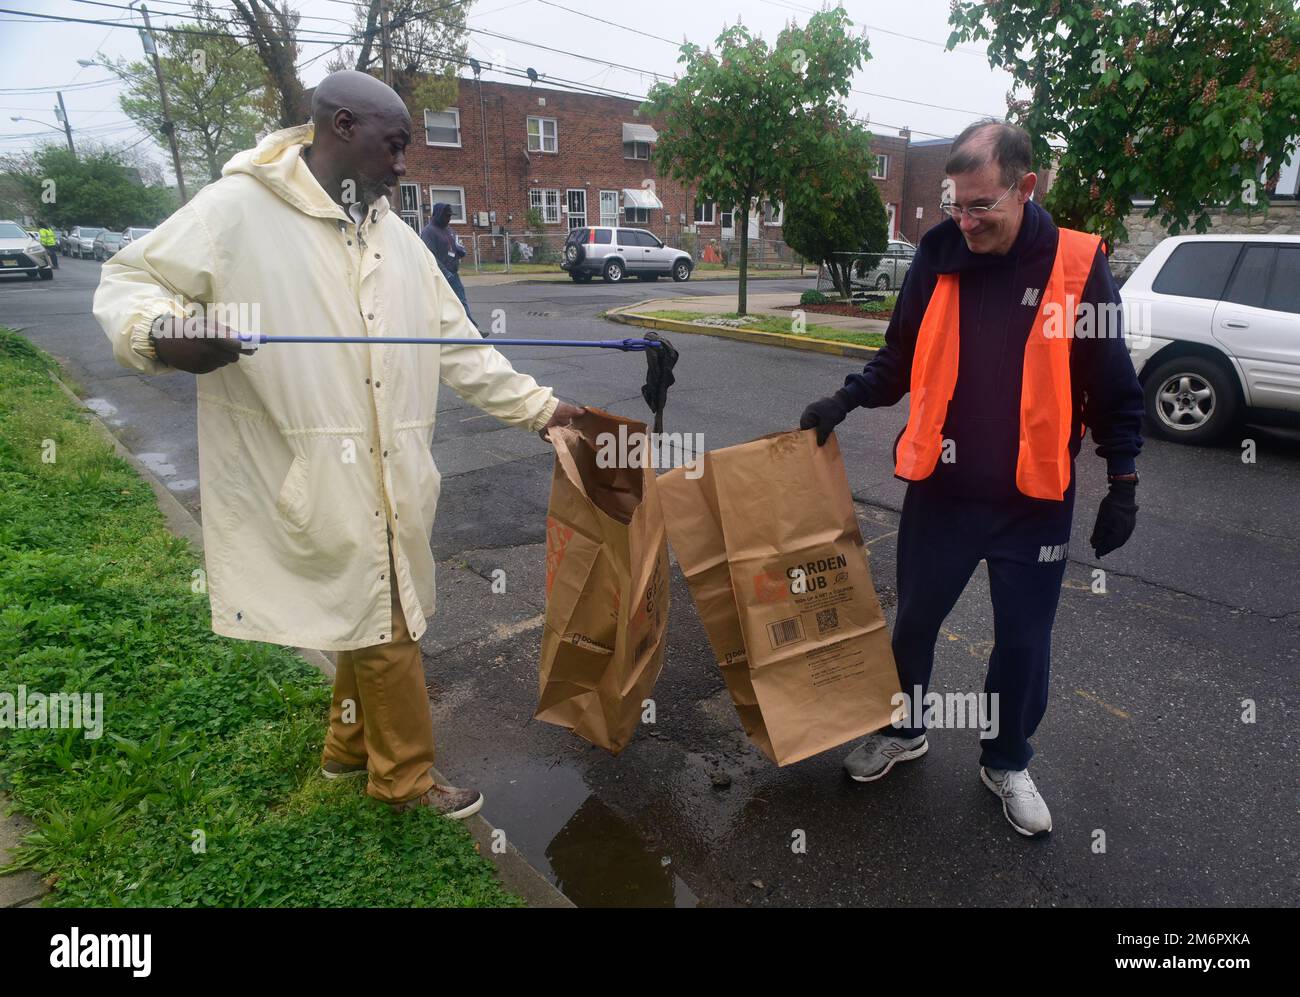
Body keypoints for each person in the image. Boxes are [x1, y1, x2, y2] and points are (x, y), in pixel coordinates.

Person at [93, 70, 584, 819]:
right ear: (343, 126)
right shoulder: (239, 211)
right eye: (395, 145)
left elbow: (460, 348)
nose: (403, 163)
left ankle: (345, 749)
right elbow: (130, 279)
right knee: (388, 617)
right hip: (309, 469)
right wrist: (160, 333)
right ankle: (406, 779)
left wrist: (546, 410)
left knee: (373, 604)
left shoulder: (398, 240)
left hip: (394, 472)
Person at [799, 119, 1142, 838]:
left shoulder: (1077, 266)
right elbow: (898, 357)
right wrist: (847, 398)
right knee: (914, 623)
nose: (966, 219)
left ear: (1026, 187)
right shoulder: (939, 253)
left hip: (1033, 504)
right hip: (942, 492)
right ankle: (903, 731)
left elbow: (1111, 385)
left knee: (1023, 641)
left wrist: (1124, 479)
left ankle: (1006, 758)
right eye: (956, 203)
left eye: (981, 205)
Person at [420, 203, 478, 332]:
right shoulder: (428, 232)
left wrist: (460, 251)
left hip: (453, 273)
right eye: (446, 216)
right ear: (438, 215)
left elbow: (457, 245)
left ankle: (472, 330)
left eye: (450, 216)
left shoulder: (449, 230)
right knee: (441, 306)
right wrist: (445, 273)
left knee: (461, 301)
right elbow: (430, 256)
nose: (449, 219)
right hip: (440, 275)